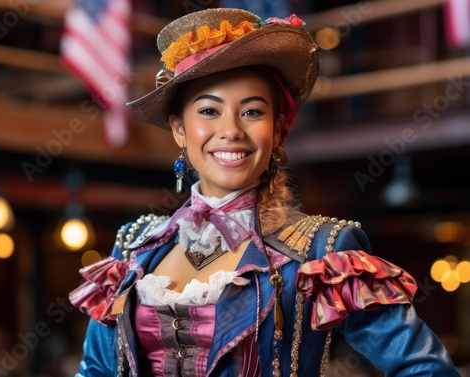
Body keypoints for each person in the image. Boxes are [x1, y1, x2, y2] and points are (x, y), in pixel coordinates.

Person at [69, 8, 461, 377]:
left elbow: (426, 369)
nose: (231, 130)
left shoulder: (323, 251)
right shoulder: (133, 248)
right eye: (208, 111)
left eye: (252, 111)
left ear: (276, 132)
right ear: (179, 130)